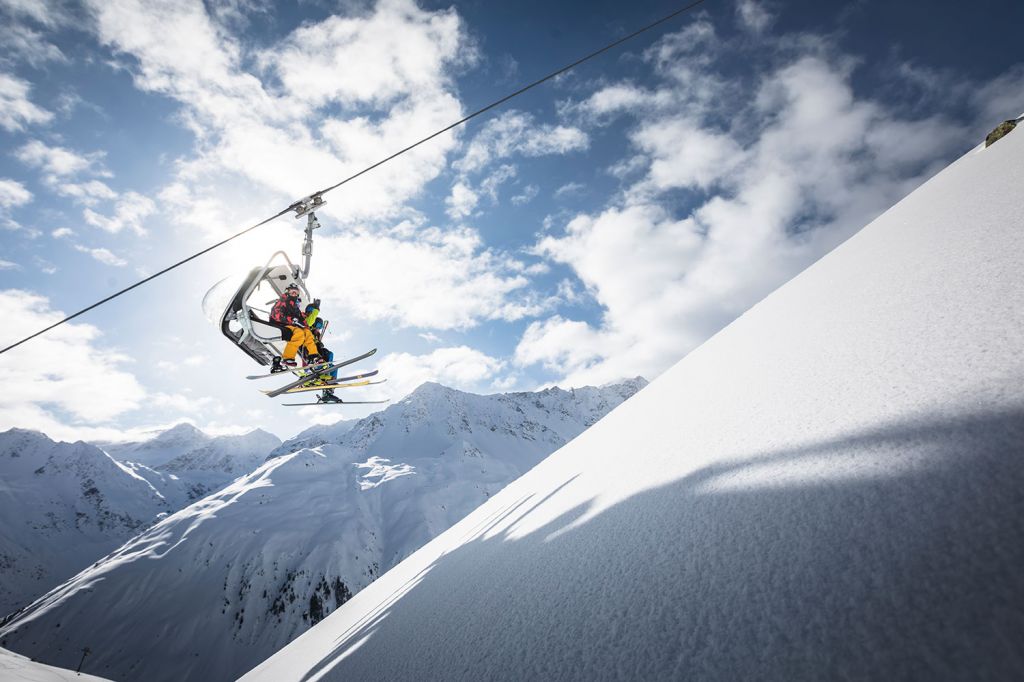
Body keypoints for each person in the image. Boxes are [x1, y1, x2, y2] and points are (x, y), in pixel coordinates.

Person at [269, 284, 321, 370]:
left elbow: (302, 319)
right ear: (287, 292)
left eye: (296, 292)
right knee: (299, 333)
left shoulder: (295, 307)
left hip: (291, 325)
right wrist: (292, 319)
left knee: (307, 333)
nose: (294, 293)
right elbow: (276, 314)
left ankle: (313, 355)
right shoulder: (282, 301)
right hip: (280, 324)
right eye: (292, 291)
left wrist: (306, 326)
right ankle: (287, 358)